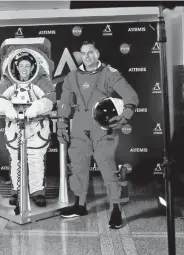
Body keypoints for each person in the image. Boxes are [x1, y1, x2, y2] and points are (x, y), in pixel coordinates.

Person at [57, 40, 139, 229]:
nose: (87, 56)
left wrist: (126, 113)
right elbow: (64, 101)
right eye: (84, 53)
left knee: (107, 167)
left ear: (98, 54)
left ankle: (116, 208)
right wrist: (61, 122)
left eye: (91, 52)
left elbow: (130, 95)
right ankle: (80, 204)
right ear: (80, 55)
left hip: (102, 127)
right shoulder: (72, 76)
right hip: (79, 125)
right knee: (78, 166)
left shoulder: (109, 74)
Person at [0, 53, 56, 207]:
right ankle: (17, 191)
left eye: (27, 65)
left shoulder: (41, 79)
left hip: (36, 126)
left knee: (36, 159)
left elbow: (50, 98)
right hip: (15, 125)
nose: (24, 69)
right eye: (21, 65)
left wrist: (35, 109)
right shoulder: (8, 80)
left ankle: (37, 192)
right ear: (16, 67)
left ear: (33, 66)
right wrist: (8, 108)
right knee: (16, 159)